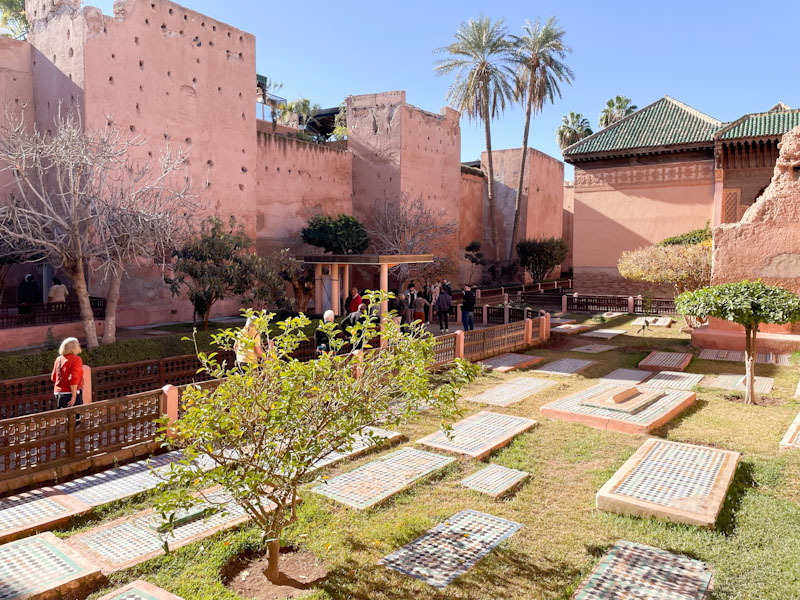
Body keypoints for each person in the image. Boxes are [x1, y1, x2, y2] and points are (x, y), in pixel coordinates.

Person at [51, 337, 85, 409]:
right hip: (70, 393)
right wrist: (74, 396)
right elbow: (74, 379)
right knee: (76, 418)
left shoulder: (58, 359)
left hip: (58, 393)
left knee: (65, 417)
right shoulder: (76, 359)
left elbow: (53, 377)